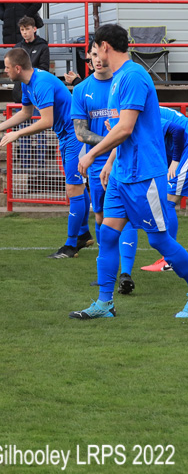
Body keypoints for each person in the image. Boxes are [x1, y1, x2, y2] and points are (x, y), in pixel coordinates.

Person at [71, 24, 188, 319]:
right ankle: (104, 304)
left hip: (143, 176)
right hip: (122, 174)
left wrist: (92, 154)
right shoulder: (118, 78)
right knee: (108, 235)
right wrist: (110, 162)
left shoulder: (133, 76)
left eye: (96, 49)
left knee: (159, 240)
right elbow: (119, 130)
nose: (95, 55)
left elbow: (125, 129)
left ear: (106, 46)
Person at [0, 48, 92, 258]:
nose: (5, 71)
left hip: (76, 135)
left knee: (73, 188)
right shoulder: (26, 83)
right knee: (75, 185)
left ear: (17, 68)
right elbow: (26, 112)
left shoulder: (41, 83)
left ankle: (70, 245)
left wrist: (16, 134)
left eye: (6, 67)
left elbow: (46, 121)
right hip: (66, 135)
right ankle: (83, 233)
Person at [71, 45, 138, 292]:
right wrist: (109, 144)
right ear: (88, 58)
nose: (98, 59)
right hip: (98, 162)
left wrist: (115, 146)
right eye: (94, 55)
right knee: (101, 217)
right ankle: (107, 271)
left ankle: (125, 273)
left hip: (127, 160)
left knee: (127, 215)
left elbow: (129, 126)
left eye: (102, 53)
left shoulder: (124, 83)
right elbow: (80, 132)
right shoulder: (81, 90)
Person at [141, 106, 188, 275]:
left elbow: (178, 130)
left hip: (186, 151)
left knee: (168, 202)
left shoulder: (146, 114)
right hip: (183, 150)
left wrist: (175, 162)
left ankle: (169, 259)